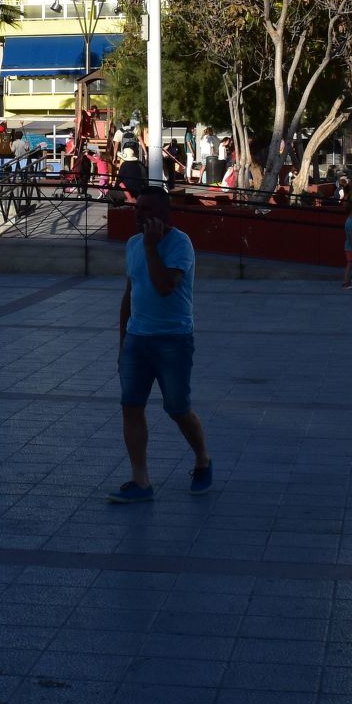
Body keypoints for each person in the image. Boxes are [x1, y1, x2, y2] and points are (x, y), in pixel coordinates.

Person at [110, 187, 212, 503]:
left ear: (164, 214)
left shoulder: (180, 243)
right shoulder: (132, 244)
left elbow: (165, 286)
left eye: (147, 209)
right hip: (138, 340)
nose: (139, 214)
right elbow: (131, 292)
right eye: (137, 208)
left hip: (173, 340)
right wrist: (122, 340)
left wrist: (153, 248)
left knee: (177, 409)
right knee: (131, 405)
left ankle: (203, 460)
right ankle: (141, 481)